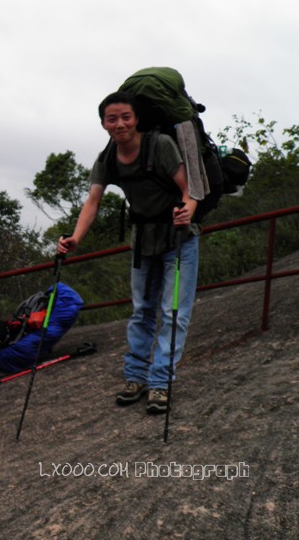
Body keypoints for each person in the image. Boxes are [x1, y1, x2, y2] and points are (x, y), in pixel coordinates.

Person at [58, 92, 199, 414]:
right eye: (112, 118)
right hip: (142, 244)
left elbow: (188, 188)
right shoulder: (107, 158)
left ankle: (160, 383)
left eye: (125, 117)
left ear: (136, 119)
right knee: (142, 312)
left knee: (173, 312)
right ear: (103, 124)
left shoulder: (159, 145)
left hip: (179, 240)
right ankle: (135, 378)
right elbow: (93, 200)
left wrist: (187, 210)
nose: (119, 124)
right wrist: (76, 239)